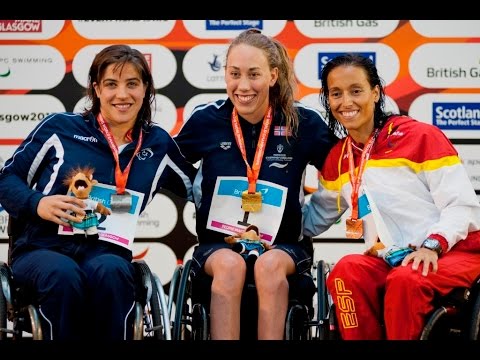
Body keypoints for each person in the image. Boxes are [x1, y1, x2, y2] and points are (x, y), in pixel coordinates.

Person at [0, 44, 195, 340]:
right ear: (96, 89)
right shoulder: (60, 128)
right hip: (43, 249)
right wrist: (37, 203)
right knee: (63, 276)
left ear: (145, 89)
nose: (122, 94)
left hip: (107, 251)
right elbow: (7, 180)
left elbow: (201, 188)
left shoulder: (158, 144)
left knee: (113, 273)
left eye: (132, 84)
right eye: (111, 84)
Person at [174, 28, 339, 340]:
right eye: (234, 74)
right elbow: (169, 168)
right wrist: (201, 197)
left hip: (285, 246)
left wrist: (310, 222)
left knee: (269, 266)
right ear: (225, 74)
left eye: (254, 74)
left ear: (273, 75)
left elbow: (342, 173)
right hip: (218, 245)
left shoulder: (303, 123)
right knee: (230, 266)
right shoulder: (206, 120)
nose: (243, 85)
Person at [303, 53, 480, 340]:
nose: (346, 102)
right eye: (336, 94)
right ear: (328, 101)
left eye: (356, 91)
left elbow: (461, 206)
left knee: (406, 279)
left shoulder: (420, 136)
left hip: (454, 252)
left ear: (375, 93)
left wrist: (431, 246)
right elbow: (313, 219)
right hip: (393, 257)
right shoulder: (338, 158)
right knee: (345, 271)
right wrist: (266, 224)